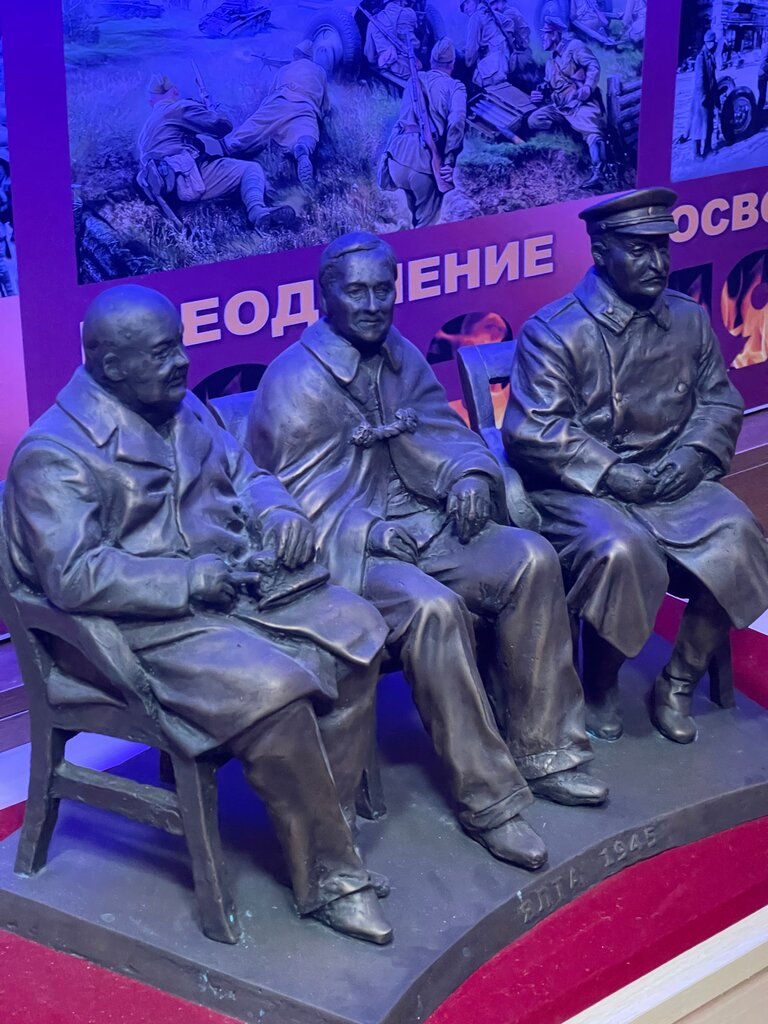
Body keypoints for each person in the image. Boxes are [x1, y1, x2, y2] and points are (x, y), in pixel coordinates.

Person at [3, 284, 394, 945]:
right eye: (163, 352)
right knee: (277, 691)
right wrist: (187, 579)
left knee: (357, 631)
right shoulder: (54, 453)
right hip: (130, 631)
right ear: (110, 366)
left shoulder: (184, 409)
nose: (183, 361)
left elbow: (249, 475)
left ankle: (329, 833)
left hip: (229, 594)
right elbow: (73, 575)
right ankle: (332, 880)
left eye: (179, 345)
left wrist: (279, 512)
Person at [248, 231, 609, 873]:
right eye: (356, 291)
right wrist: (370, 532)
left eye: (383, 289)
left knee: (531, 559)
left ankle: (547, 749)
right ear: (323, 295)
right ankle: (489, 800)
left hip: (430, 525)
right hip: (353, 556)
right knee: (433, 610)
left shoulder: (401, 355)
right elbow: (288, 503)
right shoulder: (294, 380)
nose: (372, 304)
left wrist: (467, 476)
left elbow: (446, 434)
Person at [503, 188, 768, 744]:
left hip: (671, 476)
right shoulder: (555, 331)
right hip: (583, 489)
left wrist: (694, 456)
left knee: (741, 535)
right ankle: (600, 685)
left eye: (662, 247)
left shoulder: (689, 318)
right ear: (601, 253)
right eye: (639, 249)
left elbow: (719, 401)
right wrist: (609, 471)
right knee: (623, 552)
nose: (657, 263)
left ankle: (677, 681)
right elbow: (534, 430)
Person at [137, 74, 295, 230]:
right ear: (175, 91)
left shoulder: (145, 131)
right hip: (187, 181)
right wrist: (212, 108)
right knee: (250, 169)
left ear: (152, 101)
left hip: (167, 191)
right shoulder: (178, 108)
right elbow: (222, 126)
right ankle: (258, 212)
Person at [378, 37, 467, 228]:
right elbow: (457, 121)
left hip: (397, 159)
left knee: (415, 214)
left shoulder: (413, 80)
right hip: (423, 163)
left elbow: (402, 121)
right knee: (427, 226)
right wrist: (449, 160)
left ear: (432, 61)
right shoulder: (456, 86)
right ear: (451, 64)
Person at [227, 40, 331, 190]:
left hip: (280, 100)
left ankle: (229, 146)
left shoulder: (284, 69)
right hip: (305, 106)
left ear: (296, 55)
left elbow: (271, 93)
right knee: (306, 133)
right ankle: (302, 148)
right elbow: (325, 105)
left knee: (253, 127)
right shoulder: (320, 71)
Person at [527, 17, 608, 187]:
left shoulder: (574, 47)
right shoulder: (550, 63)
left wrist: (587, 87)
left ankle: (599, 172)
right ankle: (567, 139)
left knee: (593, 132)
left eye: (545, 34)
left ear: (555, 35)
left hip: (581, 103)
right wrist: (538, 94)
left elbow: (593, 65)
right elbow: (549, 86)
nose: (543, 38)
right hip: (562, 108)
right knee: (534, 120)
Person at [462, 0, 534, 90]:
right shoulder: (491, 13)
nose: (465, 8)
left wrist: (467, 61)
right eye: (463, 6)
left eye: (468, 2)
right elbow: (509, 23)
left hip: (492, 71)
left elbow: (470, 54)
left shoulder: (475, 18)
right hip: (505, 64)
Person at [364, 0, 419, 81]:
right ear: (401, 1)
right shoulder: (409, 13)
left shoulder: (372, 22)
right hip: (413, 67)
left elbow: (370, 57)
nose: (406, 3)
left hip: (390, 70)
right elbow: (416, 45)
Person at [687, 30, 720, 157]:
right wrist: (703, 98)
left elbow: (713, 79)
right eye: (712, 42)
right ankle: (696, 153)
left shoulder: (710, 56)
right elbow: (699, 81)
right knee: (699, 125)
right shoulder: (701, 58)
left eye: (714, 42)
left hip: (709, 96)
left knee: (709, 123)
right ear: (707, 43)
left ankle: (708, 149)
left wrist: (716, 98)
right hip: (701, 97)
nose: (714, 44)